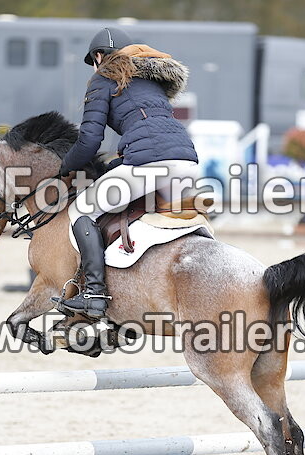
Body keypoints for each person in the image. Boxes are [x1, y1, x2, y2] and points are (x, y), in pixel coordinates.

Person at [58, 27, 199, 318]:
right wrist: (113, 166)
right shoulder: (151, 82)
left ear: (99, 56)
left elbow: (88, 142)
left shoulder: (102, 79)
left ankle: (95, 294)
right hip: (187, 161)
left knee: (82, 210)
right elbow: (148, 137)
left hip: (151, 164)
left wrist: (64, 167)